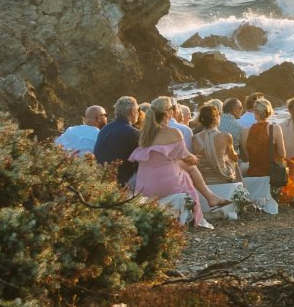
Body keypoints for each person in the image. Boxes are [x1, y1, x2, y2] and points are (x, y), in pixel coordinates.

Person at [130, 96, 228, 230]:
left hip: (144, 185)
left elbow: (159, 157)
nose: (174, 110)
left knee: (182, 167)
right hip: (166, 184)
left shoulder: (145, 134)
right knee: (190, 168)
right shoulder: (174, 132)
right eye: (173, 108)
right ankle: (210, 198)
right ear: (167, 113)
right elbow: (187, 158)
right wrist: (195, 158)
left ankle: (211, 197)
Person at [93, 96, 143, 186]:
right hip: (121, 182)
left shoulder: (105, 129)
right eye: (138, 110)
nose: (139, 113)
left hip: (100, 179)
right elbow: (140, 162)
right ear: (133, 111)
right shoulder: (133, 133)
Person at [245, 96, 288, 190]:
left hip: (253, 173)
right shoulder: (275, 128)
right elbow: (282, 154)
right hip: (271, 175)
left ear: (256, 113)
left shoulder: (247, 131)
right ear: (269, 112)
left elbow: (248, 156)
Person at [193, 100, 241, 184]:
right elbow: (233, 157)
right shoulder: (226, 136)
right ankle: (240, 188)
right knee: (234, 164)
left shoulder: (195, 138)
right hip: (222, 178)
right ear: (215, 118)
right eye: (219, 114)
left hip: (204, 179)